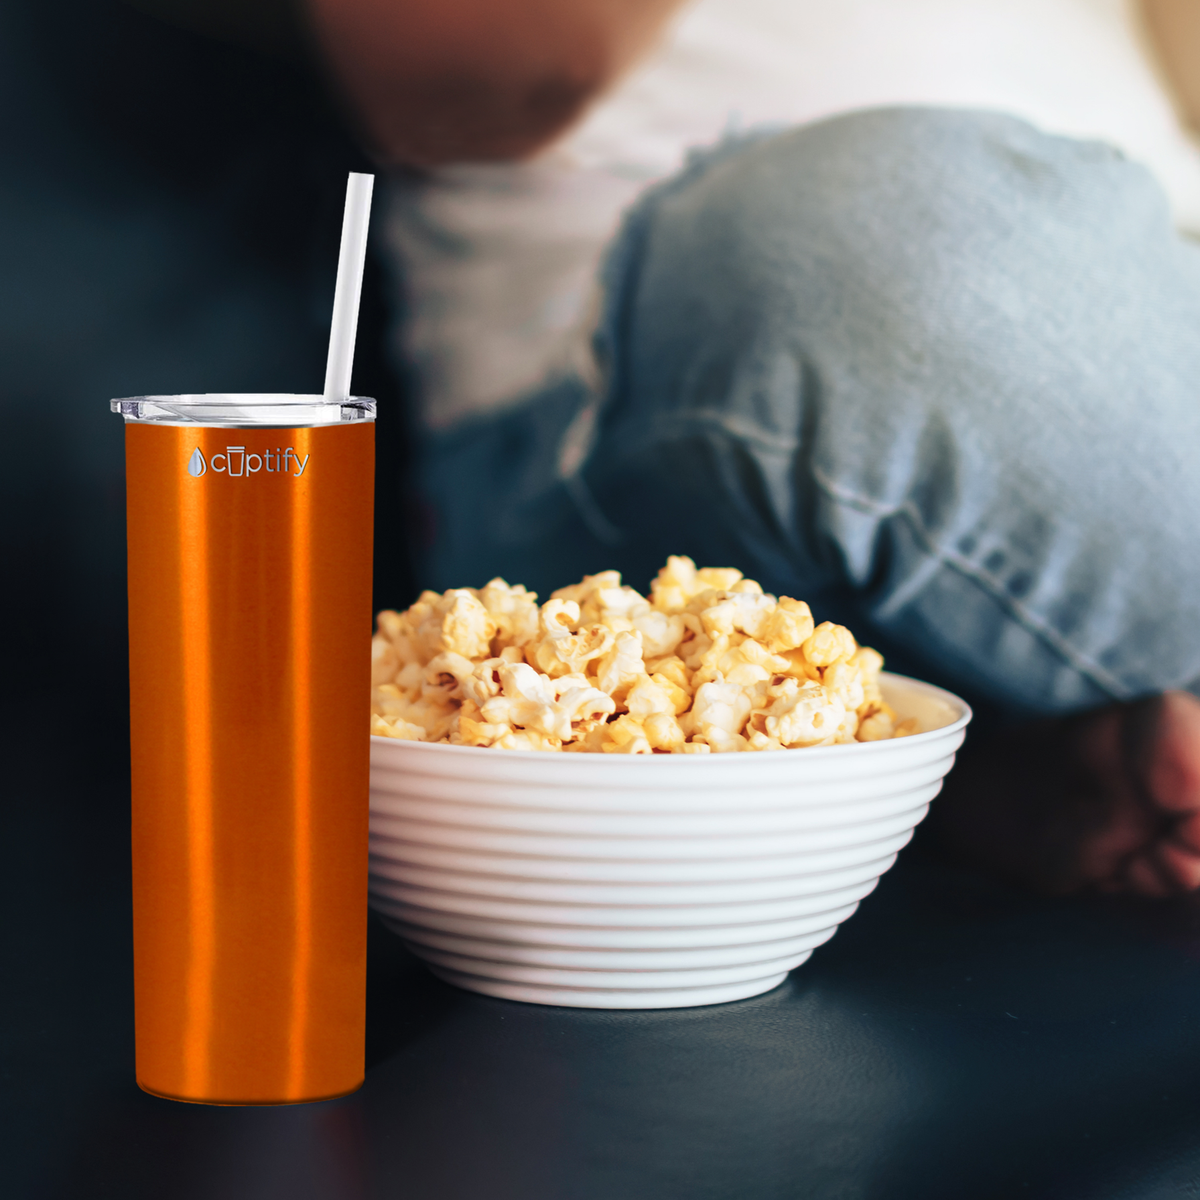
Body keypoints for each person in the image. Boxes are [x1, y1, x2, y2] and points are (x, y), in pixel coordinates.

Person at [140, 0, 1200, 898]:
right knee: (891, 237)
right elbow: (451, 74)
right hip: (648, 386)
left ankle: (952, 732)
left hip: (1153, 297)